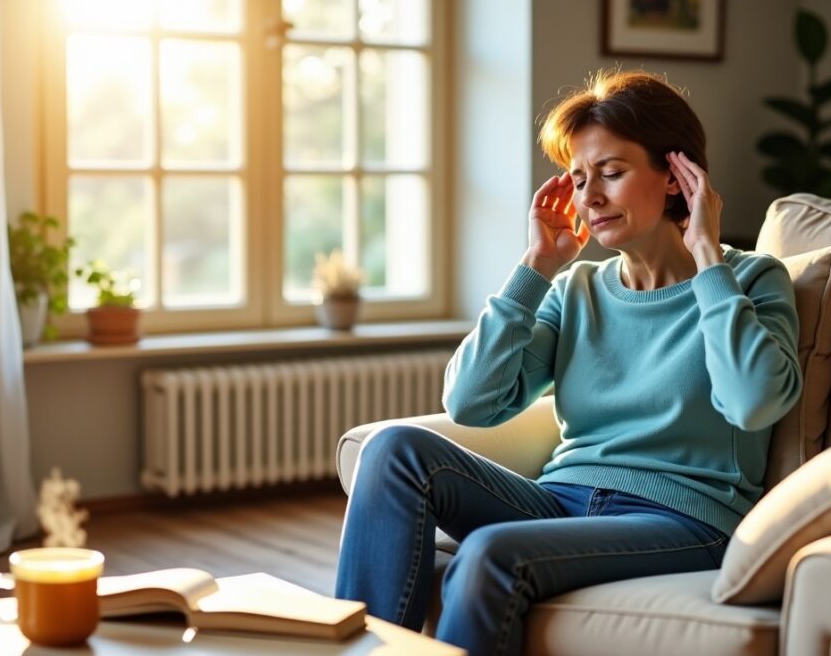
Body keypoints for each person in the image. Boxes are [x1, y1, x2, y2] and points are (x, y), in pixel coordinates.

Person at [335, 70, 802, 656]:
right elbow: (471, 402)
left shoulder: (750, 280)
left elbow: (753, 401)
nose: (590, 197)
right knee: (394, 450)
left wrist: (709, 256)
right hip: (560, 501)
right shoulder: (576, 288)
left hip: (684, 521)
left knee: (489, 553)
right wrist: (536, 268)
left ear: (676, 176)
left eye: (611, 172)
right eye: (579, 179)